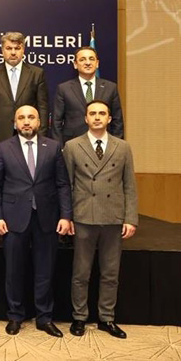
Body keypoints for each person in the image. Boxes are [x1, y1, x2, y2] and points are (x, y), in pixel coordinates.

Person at [0, 105, 72, 337]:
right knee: (14, 270)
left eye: (31, 117)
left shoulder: (53, 147)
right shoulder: (3, 149)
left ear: (39, 122)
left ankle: (44, 317)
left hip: (47, 217)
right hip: (13, 218)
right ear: (15, 123)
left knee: (45, 270)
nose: (26, 122)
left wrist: (66, 216)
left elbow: (62, 184)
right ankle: (15, 316)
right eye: (21, 118)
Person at [64, 100, 138, 339]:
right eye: (93, 113)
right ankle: (79, 317)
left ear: (109, 118)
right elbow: (67, 185)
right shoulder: (72, 146)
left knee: (110, 273)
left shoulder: (123, 147)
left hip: (113, 217)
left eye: (102, 113)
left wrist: (130, 218)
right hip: (83, 216)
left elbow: (129, 185)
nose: (97, 117)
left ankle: (107, 318)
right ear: (85, 118)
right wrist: (67, 216)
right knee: (81, 273)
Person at [0, 31, 49, 244]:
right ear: (2, 50)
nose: (13, 52)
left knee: (24, 181)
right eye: (9, 48)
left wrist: (42, 138)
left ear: (23, 50)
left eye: (17, 48)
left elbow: (43, 106)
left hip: (29, 136)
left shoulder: (36, 73)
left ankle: (24, 221)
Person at [53, 46, 124, 144]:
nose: (87, 63)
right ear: (75, 64)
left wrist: (116, 145)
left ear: (97, 63)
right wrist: (59, 148)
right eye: (82, 59)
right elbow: (56, 122)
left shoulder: (110, 87)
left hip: (104, 143)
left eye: (91, 59)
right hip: (73, 143)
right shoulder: (64, 88)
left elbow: (117, 121)